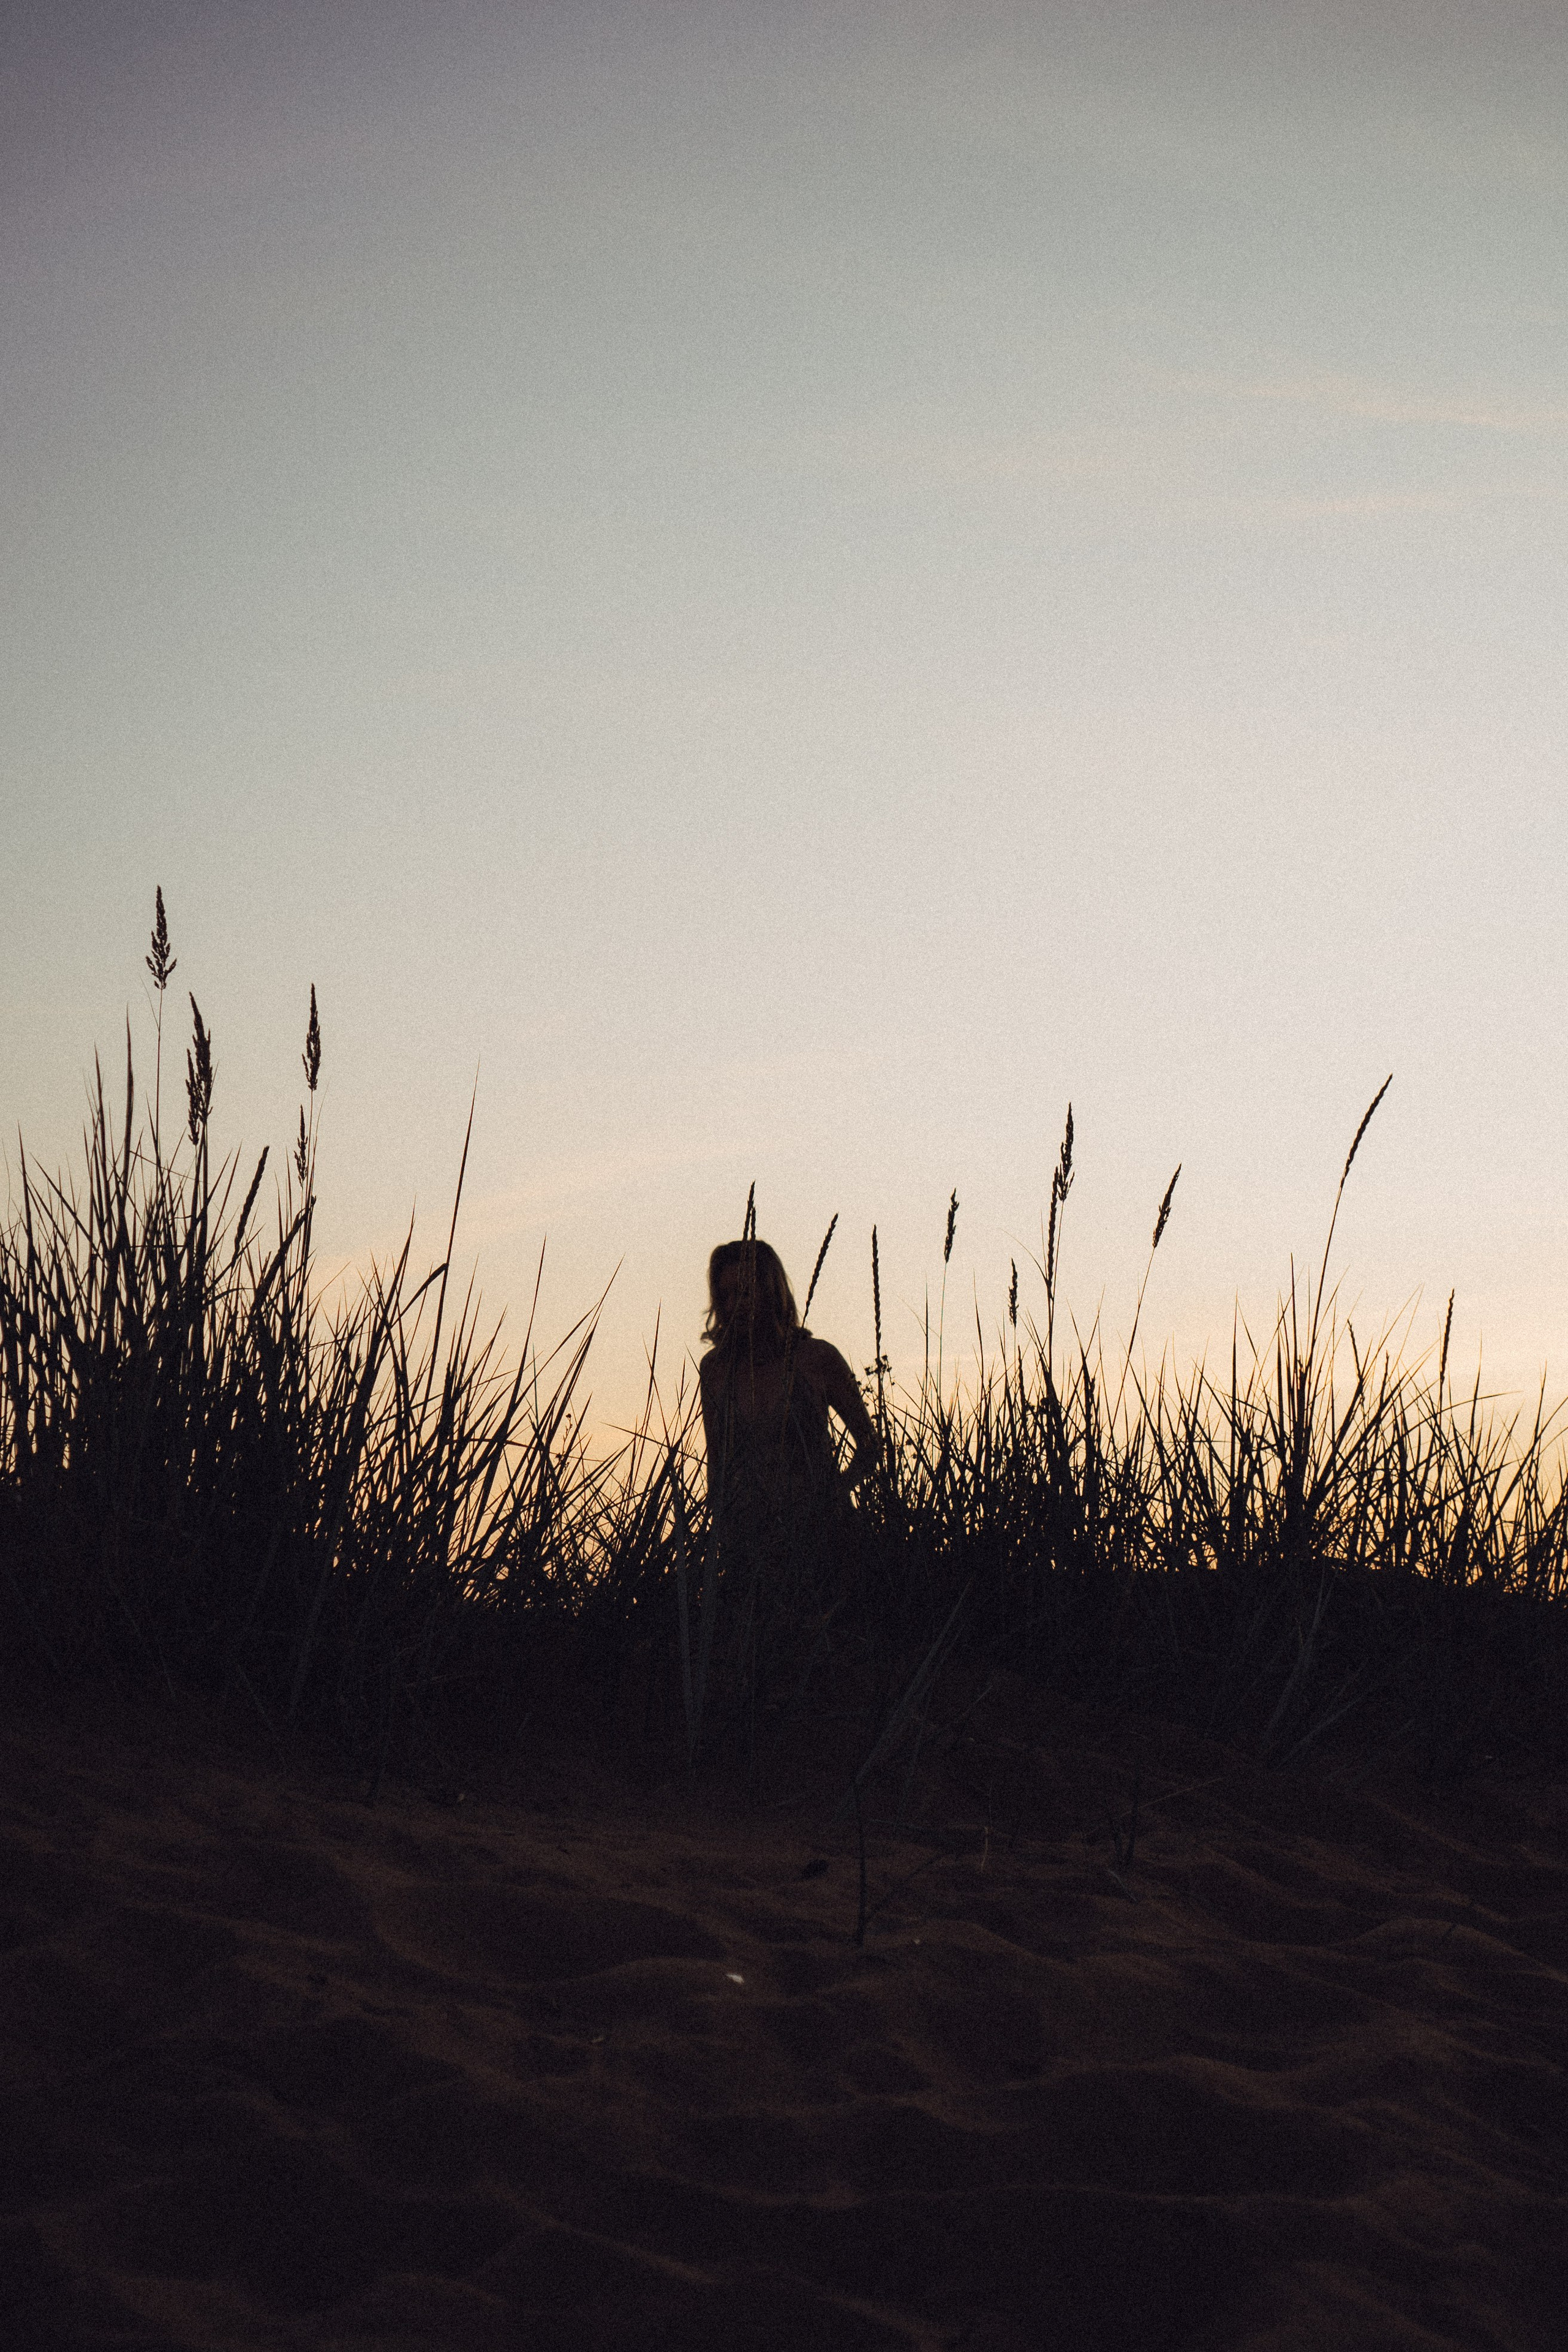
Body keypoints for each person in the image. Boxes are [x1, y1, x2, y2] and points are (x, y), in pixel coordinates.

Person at [698, 1238, 880, 1559]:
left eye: (744, 1292)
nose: (734, 1306)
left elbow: (871, 1444)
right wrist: (724, 1536)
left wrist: (835, 1492)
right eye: (725, 1297)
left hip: (825, 1539)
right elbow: (718, 1464)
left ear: (770, 1291)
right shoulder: (715, 1369)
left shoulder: (816, 1358)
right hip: (751, 1546)